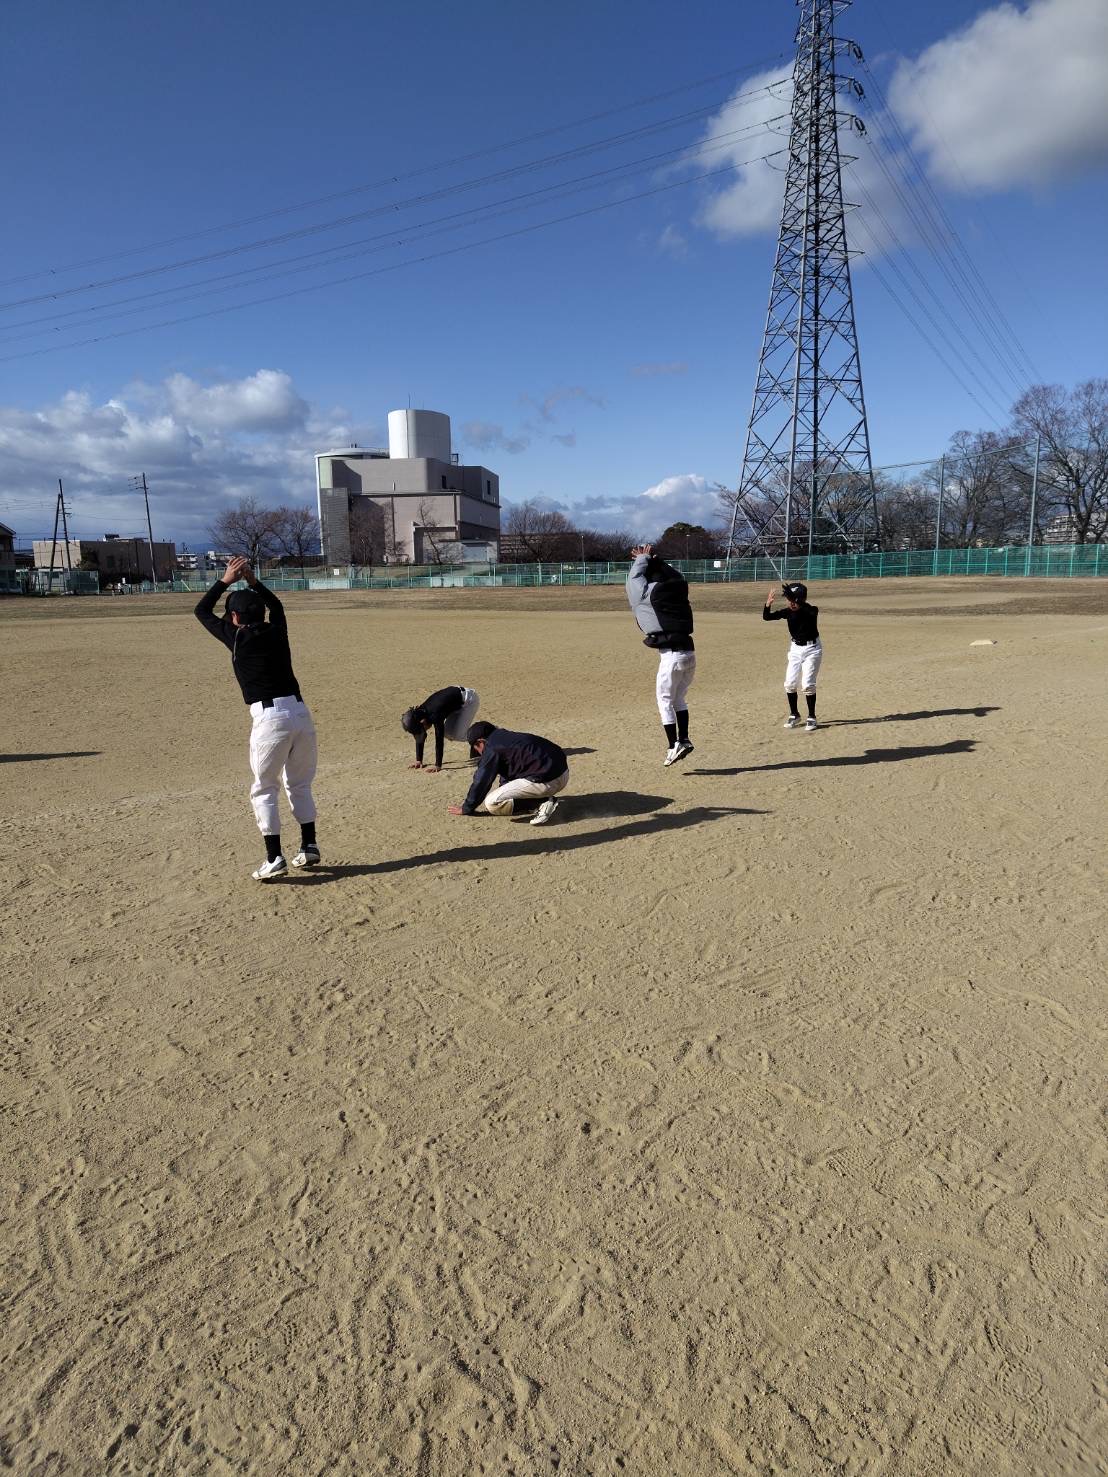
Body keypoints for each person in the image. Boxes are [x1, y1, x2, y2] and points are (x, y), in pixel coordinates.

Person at [194, 556, 319, 880]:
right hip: (301, 714)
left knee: (264, 788)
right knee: (299, 784)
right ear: (262, 613)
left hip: (271, 720)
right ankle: (309, 845)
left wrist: (226, 580)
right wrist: (252, 581)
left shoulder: (237, 637)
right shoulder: (277, 630)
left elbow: (201, 611)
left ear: (235, 617)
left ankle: (274, 857)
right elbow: (277, 605)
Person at [625, 544, 696, 766]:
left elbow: (634, 579)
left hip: (671, 655)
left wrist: (642, 558)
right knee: (678, 698)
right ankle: (684, 739)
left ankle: (673, 745)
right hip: (689, 653)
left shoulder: (647, 595)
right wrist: (656, 560)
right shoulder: (678, 588)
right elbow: (677, 576)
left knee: (664, 700)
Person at [447, 722, 568, 825]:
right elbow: (507, 772)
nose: (479, 754)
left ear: (480, 742)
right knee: (507, 793)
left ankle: (542, 803)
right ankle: (542, 799)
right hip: (563, 773)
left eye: (476, 749)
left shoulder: (491, 748)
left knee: (492, 803)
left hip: (548, 781)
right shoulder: (504, 737)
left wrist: (467, 807)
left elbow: (481, 781)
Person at [763, 581, 822, 730]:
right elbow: (767, 617)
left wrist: (797, 600)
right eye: (789, 600)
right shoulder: (788, 612)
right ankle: (794, 714)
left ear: (802, 599)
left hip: (812, 649)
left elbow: (808, 611)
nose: (791, 603)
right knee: (789, 684)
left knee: (807, 685)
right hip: (795, 649)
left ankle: (812, 717)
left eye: (794, 600)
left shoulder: (811, 610)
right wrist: (768, 604)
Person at [401, 685, 480, 772]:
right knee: (448, 733)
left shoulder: (435, 714)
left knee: (458, 735)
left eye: (423, 729)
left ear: (422, 722)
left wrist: (438, 765)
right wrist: (418, 760)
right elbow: (419, 736)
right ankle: (476, 738)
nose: (425, 730)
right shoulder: (420, 712)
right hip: (455, 702)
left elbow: (439, 738)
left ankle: (482, 733)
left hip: (469, 700)